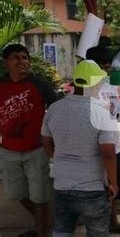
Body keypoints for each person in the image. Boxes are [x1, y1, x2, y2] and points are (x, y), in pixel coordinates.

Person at [41, 60, 118, 236]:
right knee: (97, 232)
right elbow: (108, 153)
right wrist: (113, 182)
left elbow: (45, 140)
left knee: (62, 230)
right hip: (92, 186)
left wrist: (56, 157)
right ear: (95, 83)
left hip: (62, 183)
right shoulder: (101, 112)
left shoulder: (54, 108)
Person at [0, 44, 57, 237]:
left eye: (24, 57)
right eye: (15, 57)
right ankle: (45, 226)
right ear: (6, 62)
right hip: (8, 150)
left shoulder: (40, 85)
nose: (21, 61)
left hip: (37, 149)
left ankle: (41, 233)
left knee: (40, 196)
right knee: (16, 193)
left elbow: (57, 109)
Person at [86, 46, 120, 234]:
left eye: (107, 67)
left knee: (115, 188)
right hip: (91, 150)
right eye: (102, 66)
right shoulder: (82, 89)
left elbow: (118, 112)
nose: (106, 71)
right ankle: (97, 225)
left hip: (114, 145)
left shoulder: (109, 86)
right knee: (95, 190)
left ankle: (113, 221)